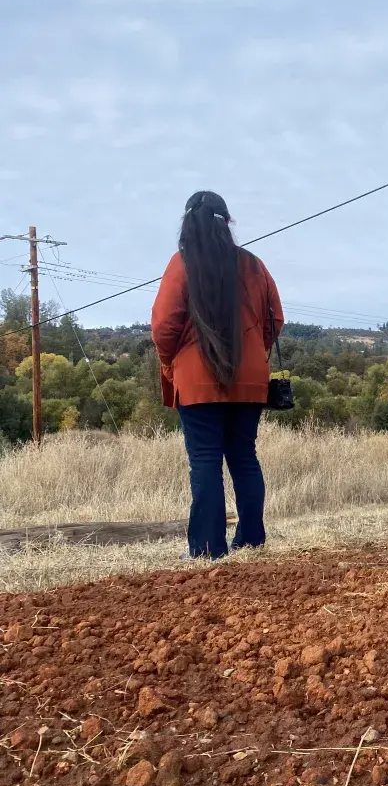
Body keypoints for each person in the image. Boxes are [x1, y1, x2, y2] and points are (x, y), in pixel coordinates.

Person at [151, 191, 283, 560]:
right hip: (251, 380)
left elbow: (163, 325)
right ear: (227, 224)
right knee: (244, 455)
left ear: (187, 223)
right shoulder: (253, 264)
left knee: (206, 459)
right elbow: (276, 319)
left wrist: (170, 363)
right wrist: (255, 349)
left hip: (196, 380)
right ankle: (251, 541)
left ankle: (207, 549)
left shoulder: (183, 263)